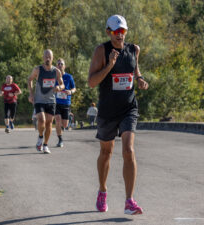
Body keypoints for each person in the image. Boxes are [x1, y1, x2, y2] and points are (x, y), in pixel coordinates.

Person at [88, 15, 149, 215]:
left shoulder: (134, 49)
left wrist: (139, 79)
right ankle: (102, 190)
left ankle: (129, 200)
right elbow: (91, 82)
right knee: (106, 153)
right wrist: (109, 66)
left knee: (128, 150)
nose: (120, 35)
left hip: (128, 108)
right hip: (107, 110)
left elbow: (135, 68)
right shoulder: (101, 51)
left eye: (122, 31)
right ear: (108, 32)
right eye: (116, 32)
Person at [28, 49, 64, 154]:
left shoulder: (56, 71)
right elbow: (29, 79)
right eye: (46, 56)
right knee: (42, 120)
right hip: (39, 99)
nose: (47, 58)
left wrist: (59, 87)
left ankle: (45, 145)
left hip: (51, 101)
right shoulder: (38, 69)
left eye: (49, 56)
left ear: (52, 58)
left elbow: (62, 84)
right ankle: (40, 137)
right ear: (43, 58)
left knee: (49, 123)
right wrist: (31, 94)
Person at [54, 58, 76, 147]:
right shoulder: (53, 77)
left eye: (61, 64)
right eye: (58, 64)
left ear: (64, 66)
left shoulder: (69, 77)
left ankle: (63, 127)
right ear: (56, 66)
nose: (60, 65)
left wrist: (70, 92)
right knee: (58, 120)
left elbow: (74, 88)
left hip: (66, 103)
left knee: (65, 124)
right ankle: (60, 139)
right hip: (56, 102)